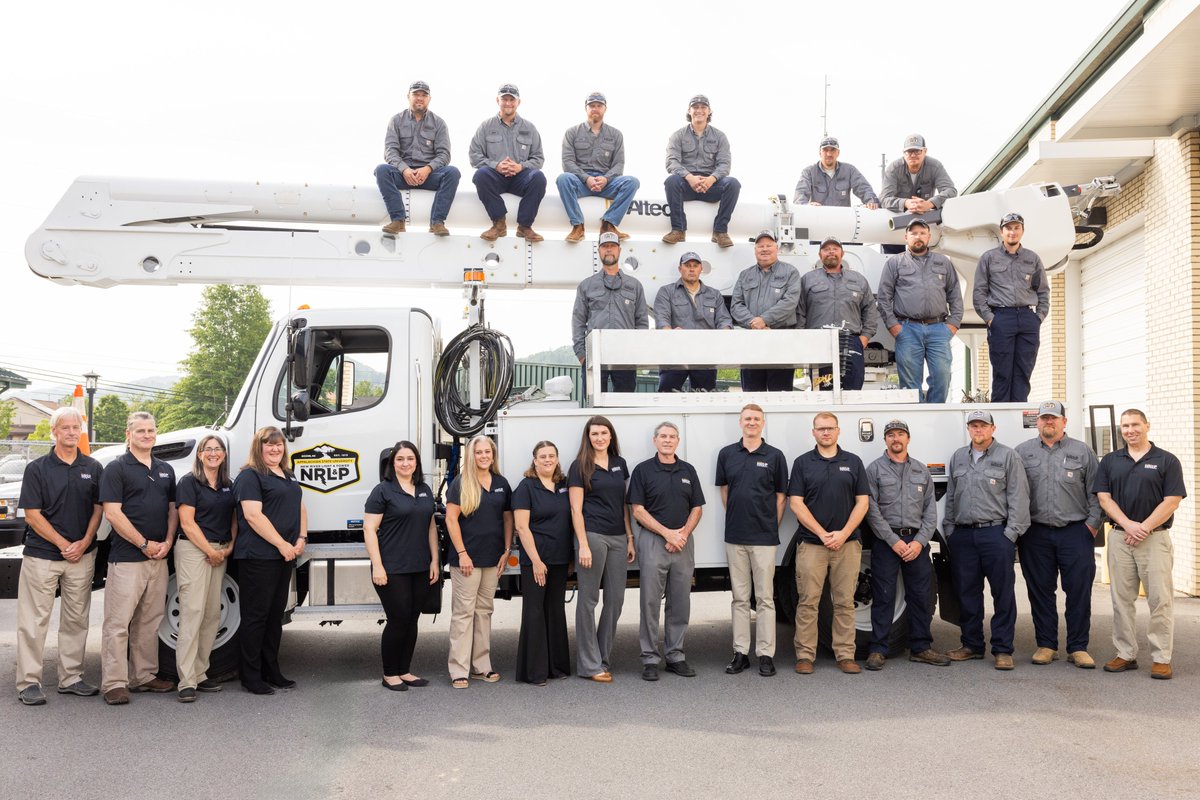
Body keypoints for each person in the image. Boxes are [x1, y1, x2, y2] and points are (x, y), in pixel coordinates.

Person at [15, 408, 102, 706]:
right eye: (64, 427)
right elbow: (32, 514)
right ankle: (28, 682)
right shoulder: (37, 468)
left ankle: (71, 678)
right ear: (53, 431)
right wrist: (65, 543)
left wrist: (85, 541)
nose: (70, 432)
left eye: (75, 427)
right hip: (43, 555)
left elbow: (98, 509)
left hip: (82, 556)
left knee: (76, 620)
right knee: (34, 620)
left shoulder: (93, 466)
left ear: (80, 431)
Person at [1095, 409, 1186, 680]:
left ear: (1147, 425)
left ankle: (1161, 658)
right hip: (1120, 537)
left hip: (1154, 539)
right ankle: (1125, 653)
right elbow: (1104, 497)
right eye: (1125, 426)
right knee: (1122, 600)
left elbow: (1172, 500)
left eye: (1135, 424)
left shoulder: (1166, 460)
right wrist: (1129, 525)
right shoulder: (1111, 460)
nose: (1130, 430)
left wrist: (1143, 527)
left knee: (1160, 600)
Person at [99, 411, 178, 705]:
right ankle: (114, 683)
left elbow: (173, 510)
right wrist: (143, 544)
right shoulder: (116, 469)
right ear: (128, 434)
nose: (147, 435)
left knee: (150, 620)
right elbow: (112, 513)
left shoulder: (165, 469)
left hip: (158, 558)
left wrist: (168, 541)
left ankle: (143, 676)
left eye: (151, 430)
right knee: (118, 623)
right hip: (128, 558)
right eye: (141, 430)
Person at [1015, 401, 1101, 668]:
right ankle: (1046, 645)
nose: (1048, 422)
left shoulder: (1083, 452)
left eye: (1053, 418)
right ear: (1037, 423)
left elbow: (1097, 492)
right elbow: (1014, 494)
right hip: (1036, 533)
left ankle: (1077, 647)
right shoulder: (1022, 452)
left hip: (1075, 532)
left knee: (1078, 590)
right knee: (1040, 591)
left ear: (1064, 421)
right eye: (1043, 419)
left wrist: (1091, 526)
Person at [942, 410, 1030, 670]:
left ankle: (1003, 649)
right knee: (967, 593)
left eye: (982, 425)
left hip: (996, 534)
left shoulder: (1008, 456)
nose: (977, 430)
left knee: (1002, 594)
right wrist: (950, 530)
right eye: (973, 426)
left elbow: (1019, 496)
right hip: (963, 534)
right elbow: (951, 495)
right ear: (968, 429)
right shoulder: (958, 457)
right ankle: (972, 645)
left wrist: (1010, 534)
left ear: (993, 428)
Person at [862, 419, 950, 670]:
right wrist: (893, 541)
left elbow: (930, 514)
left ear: (908, 439)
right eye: (891, 435)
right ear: (885, 440)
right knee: (884, 597)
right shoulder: (875, 470)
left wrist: (920, 542)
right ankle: (879, 649)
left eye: (900, 434)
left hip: (916, 543)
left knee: (921, 596)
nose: (896, 439)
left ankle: (921, 647)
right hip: (887, 542)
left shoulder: (922, 471)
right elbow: (872, 510)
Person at [788, 412, 869, 675]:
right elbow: (795, 503)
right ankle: (805, 656)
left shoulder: (853, 462)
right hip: (812, 544)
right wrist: (823, 534)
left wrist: (844, 533)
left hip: (847, 544)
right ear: (813, 432)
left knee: (845, 602)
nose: (825, 433)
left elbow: (863, 502)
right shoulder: (802, 463)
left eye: (830, 428)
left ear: (838, 431)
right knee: (808, 601)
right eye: (820, 429)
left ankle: (845, 655)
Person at [715, 404, 789, 677]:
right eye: (747, 418)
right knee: (740, 598)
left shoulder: (775, 456)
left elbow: (782, 497)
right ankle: (740, 653)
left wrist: (771, 525)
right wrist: (738, 516)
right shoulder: (727, 455)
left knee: (766, 598)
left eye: (756, 419)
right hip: (735, 536)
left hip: (764, 538)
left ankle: (766, 654)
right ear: (740, 422)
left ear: (763, 423)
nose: (752, 422)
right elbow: (725, 491)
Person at [629, 422, 705, 681]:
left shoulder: (688, 470)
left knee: (680, 602)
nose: (668, 440)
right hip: (653, 542)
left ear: (678, 441)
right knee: (650, 602)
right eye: (663, 436)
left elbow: (697, 508)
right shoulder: (643, 470)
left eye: (672, 436)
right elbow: (637, 509)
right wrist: (667, 533)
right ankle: (650, 658)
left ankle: (675, 655)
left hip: (683, 543)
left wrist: (681, 534)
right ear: (655, 440)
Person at [234, 426, 306, 695]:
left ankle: (271, 670)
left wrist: (301, 538)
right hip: (258, 556)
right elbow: (253, 516)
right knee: (256, 617)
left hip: (284, 555)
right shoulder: (250, 476)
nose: (275, 449)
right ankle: (250, 676)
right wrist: (281, 544)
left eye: (279, 445)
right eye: (269, 444)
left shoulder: (287, 475)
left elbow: (300, 507)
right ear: (258, 447)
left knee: (275, 616)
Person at [363, 440, 439, 692]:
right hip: (392, 566)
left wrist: (434, 560)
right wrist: (377, 566)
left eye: (410, 459)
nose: (405, 463)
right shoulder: (382, 491)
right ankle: (389, 673)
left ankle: (404, 670)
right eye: (400, 459)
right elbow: (370, 529)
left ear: (416, 462)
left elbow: (430, 526)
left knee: (413, 619)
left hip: (419, 566)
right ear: (392, 463)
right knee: (398, 619)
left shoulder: (425, 489)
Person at [568, 416, 633, 682]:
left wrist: (630, 537)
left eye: (604, 433)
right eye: (594, 434)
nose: (599, 438)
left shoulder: (620, 464)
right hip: (592, 536)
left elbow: (624, 505)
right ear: (588, 437)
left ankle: (602, 658)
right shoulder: (579, 466)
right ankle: (589, 664)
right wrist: (582, 544)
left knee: (616, 600)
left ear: (611, 436)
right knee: (588, 600)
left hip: (618, 536)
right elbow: (575, 508)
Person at [444, 435, 512, 688]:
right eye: (478, 452)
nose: (483, 456)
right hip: (466, 561)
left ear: (493, 455)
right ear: (471, 456)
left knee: (484, 612)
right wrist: (462, 553)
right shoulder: (461, 483)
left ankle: (481, 666)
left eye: (487, 452)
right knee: (463, 614)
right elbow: (451, 520)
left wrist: (506, 549)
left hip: (493, 559)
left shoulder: (502, 484)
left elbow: (507, 519)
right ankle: (458, 669)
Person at [174, 434, 237, 702]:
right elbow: (187, 523)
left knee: (212, 614)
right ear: (199, 455)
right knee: (192, 612)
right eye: (208, 449)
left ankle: (200, 673)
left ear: (223, 454)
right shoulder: (189, 482)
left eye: (218, 449)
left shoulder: (227, 484)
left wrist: (228, 547)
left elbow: (234, 518)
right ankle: (186, 681)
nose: (213, 453)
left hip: (219, 551)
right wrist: (210, 551)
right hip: (193, 550)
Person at [875, 219, 963, 403]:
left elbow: (955, 295)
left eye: (922, 233)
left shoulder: (943, 263)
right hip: (907, 330)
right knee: (909, 383)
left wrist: (953, 325)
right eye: (913, 233)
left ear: (929, 237)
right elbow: (883, 298)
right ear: (906, 237)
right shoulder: (895, 263)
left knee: (942, 376)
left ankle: (934, 415)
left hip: (939, 329)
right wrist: (894, 327)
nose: (918, 237)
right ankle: (915, 422)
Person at [512, 441, 573, 685]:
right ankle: (534, 672)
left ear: (557, 459)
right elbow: (521, 527)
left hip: (559, 560)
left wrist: (569, 558)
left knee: (555, 611)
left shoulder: (563, 486)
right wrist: (536, 561)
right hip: (536, 561)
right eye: (542, 456)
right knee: (535, 612)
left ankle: (556, 667)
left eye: (551, 456)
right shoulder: (526, 487)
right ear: (534, 460)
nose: (547, 460)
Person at [973, 212, 1050, 402]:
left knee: (1024, 370)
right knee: (1002, 371)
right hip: (1001, 318)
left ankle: (1019, 418)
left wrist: (1038, 317)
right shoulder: (989, 258)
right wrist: (990, 318)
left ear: (1022, 231)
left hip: (1027, 319)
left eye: (1016, 228)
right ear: (1001, 231)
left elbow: (1043, 290)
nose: (1012, 232)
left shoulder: (1032, 258)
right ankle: (1000, 419)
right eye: (1008, 228)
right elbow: (979, 292)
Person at [373, 80, 461, 236]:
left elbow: (444, 155)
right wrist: (405, 169)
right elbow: (390, 151)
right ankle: (398, 220)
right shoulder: (396, 120)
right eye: (416, 94)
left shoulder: (439, 123)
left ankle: (437, 222)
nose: (419, 98)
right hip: (402, 174)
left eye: (423, 95)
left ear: (429, 98)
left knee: (453, 172)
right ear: (408, 96)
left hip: (429, 175)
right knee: (381, 170)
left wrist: (427, 169)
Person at [796, 235, 879, 391]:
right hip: (818, 341)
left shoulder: (858, 280)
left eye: (835, 249)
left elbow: (870, 309)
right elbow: (800, 312)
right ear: (820, 255)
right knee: (822, 389)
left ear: (842, 253)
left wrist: (865, 337)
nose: (831, 252)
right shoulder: (807, 279)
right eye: (826, 249)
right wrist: (804, 339)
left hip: (851, 340)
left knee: (853, 388)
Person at [571, 231, 648, 395]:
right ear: (599, 251)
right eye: (605, 246)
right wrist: (581, 354)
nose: (609, 250)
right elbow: (578, 321)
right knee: (594, 406)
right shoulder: (586, 286)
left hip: (625, 356)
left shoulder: (634, 286)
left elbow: (642, 322)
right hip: (593, 355)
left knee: (625, 404)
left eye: (612, 246)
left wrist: (637, 351)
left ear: (619, 250)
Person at [557, 91, 640, 243]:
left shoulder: (616, 135)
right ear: (586, 108)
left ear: (605, 109)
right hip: (580, 182)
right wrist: (586, 178)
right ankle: (578, 226)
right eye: (592, 106)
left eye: (599, 106)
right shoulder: (572, 133)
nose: (595, 108)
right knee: (563, 178)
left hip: (606, 183)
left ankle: (608, 224)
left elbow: (619, 164)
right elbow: (567, 162)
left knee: (632, 182)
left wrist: (606, 179)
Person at [468, 83, 546, 243]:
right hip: (496, 176)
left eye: (512, 99)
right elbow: (474, 156)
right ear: (498, 100)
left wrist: (520, 167)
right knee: (480, 175)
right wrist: (495, 165)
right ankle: (499, 223)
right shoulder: (486, 127)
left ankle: (524, 226)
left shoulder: (529, 128)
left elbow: (538, 159)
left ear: (518, 102)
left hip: (520, 177)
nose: (508, 103)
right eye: (505, 99)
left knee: (539, 177)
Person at [662, 94, 740, 248]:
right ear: (689, 111)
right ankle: (678, 230)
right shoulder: (677, 136)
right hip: (686, 185)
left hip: (711, 185)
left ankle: (720, 231)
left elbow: (724, 164)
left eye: (703, 107)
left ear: (709, 111)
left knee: (733, 184)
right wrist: (690, 177)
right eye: (695, 107)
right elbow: (671, 162)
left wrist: (711, 179)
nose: (699, 110)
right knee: (671, 181)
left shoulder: (719, 137)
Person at [730, 230, 801, 391]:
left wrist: (764, 320)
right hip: (751, 342)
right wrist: (754, 324)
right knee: (752, 393)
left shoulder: (790, 272)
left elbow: (790, 302)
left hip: (780, 341)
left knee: (781, 394)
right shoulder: (745, 275)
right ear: (755, 250)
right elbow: (736, 305)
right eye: (760, 246)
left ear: (777, 249)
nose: (765, 249)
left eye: (769, 245)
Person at [653, 250, 733, 392]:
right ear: (680, 269)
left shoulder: (714, 294)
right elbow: (661, 319)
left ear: (701, 269)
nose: (691, 269)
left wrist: (724, 334)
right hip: (674, 355)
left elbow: (724, 320)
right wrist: (669, 333)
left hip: (705, 356)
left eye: (695, 265)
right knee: (667, 397)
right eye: (687, 265)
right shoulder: (666, 292)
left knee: (705, 398)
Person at [880, 134, 957, 216]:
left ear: (925, 151)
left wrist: (930, 203)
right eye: (909, 151)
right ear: (903, 153)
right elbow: (884, 199)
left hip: (925, 218)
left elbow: (950, 190)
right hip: (898, 217)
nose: (913, 155)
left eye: (917, 151)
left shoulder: (935, 166)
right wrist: (905, 203)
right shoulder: (893, 169)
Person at [793, 137, 880, 208]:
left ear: (838, 153)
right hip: (818, 222)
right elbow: (800, 195)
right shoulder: (809, 172)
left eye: (832, 150)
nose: (829, 154)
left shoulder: (849, 170)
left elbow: (864, 188)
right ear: (820, 153)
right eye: (825, 150)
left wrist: (871, 201)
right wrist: (807, 206)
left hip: (842, 223)